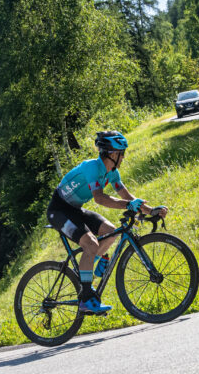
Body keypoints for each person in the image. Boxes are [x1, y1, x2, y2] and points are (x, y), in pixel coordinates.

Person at [47, 130, 167, 314]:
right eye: (122, 153)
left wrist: (151, 211)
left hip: (75, 209)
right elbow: (100, 199)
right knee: (90, 244)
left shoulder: (111, 172)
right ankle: (86, 299)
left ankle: (88, 267)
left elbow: (125, 194)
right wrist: (129, 205)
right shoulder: (92, 168)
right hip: (58, 210)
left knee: (110, 231)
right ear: (112, 154)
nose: (123, 157)